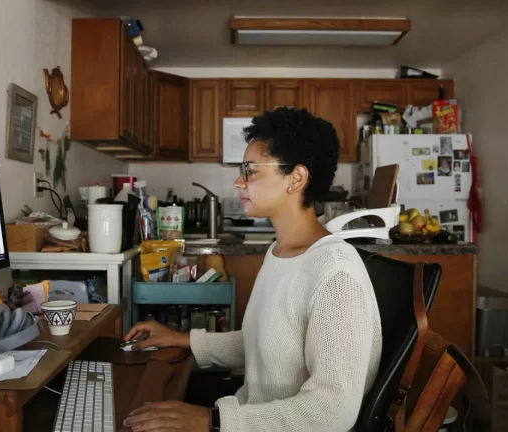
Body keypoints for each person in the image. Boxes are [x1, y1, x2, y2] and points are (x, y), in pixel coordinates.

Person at [122, 107, 383, 432]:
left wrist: (211, 421)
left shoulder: (335, 272)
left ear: (296, 178)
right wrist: (181, 339)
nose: (238, 182)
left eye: (250, 171)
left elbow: (333, 411)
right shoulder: (279, 252)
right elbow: (263, 344)